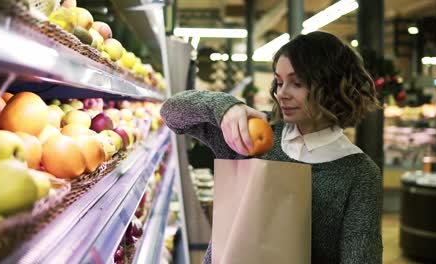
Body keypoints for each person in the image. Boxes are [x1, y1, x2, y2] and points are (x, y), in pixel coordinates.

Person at [161, 31, 383, 263]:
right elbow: (171, 113)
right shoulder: (252, 132)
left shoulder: (358, 174)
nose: (281, 93)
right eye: (278, 82)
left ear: (332, 86)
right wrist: (225, 107)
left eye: (296, 83)